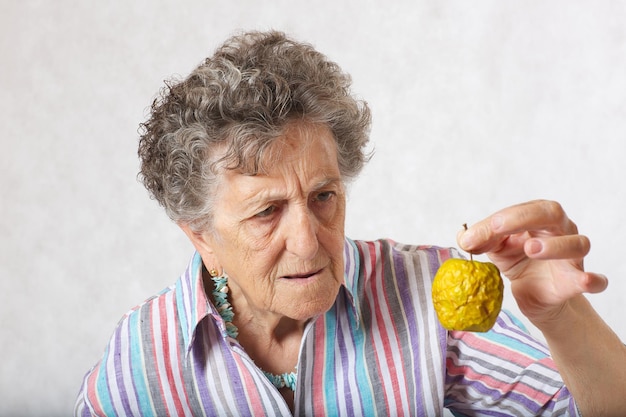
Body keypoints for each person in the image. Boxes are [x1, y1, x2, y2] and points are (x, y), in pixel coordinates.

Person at [75, 30, 626, 416]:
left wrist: (561, 317)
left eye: (323, 196)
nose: (309, 239)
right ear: (200, 236)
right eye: (267, 212)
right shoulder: (142, 357)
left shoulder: (422, 291)